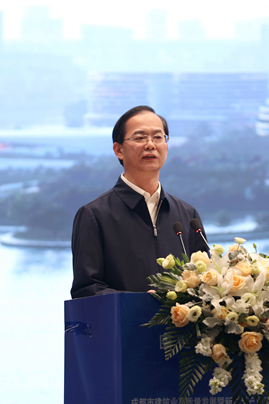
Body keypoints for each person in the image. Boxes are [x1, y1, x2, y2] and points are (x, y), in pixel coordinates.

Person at [70, 106, 207, 298]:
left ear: (166, 146)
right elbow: (87, 290)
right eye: (140, 137)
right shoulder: (94, 215)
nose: (150, 145)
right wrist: (143, 302)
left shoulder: (188, 215)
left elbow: (205, 283)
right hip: (125, 318)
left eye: (158, 137)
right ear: (119, 150)